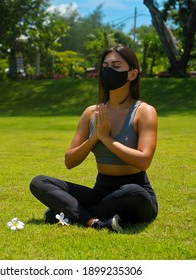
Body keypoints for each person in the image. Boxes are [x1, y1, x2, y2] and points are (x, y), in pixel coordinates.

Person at [29, 44, 158, 233]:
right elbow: (70, 161)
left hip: (134, 194)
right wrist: (93, 138)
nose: (108, 71)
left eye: (116, 66)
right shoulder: (91, 113)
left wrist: (106, 139)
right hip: (101, 192)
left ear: (132, 74)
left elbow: (144, 161)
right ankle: (94, 220)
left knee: (132, 191)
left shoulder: (144, 112)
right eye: (105, 66)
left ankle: (70, 213)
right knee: (39, 182)